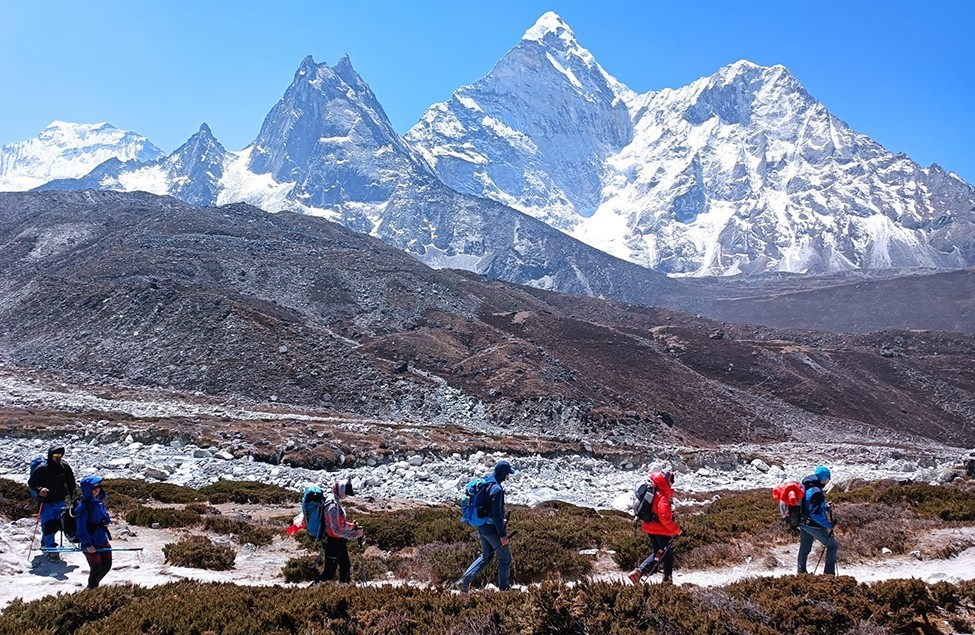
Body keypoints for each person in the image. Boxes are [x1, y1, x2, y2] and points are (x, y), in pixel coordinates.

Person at [453, 460, 517, 591]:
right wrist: (503, 535)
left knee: (486, 556)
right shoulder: (497, 490)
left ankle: (464, 581)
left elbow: (488, 510)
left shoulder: (486, 481)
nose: (507, 477)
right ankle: (504, 588)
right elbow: (497, 515)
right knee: (505, 558)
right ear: (503, 474)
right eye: (507, 474)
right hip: (493, 529)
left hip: (482, 525)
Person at [627, 469, 681, 584]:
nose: (672, 483)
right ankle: (665, 580)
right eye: (671, 480)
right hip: (660, 530)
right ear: (666, 481)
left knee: (659, 552)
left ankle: (640, 572)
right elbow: (664, 518)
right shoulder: (662, 496)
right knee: (667, 552)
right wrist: (677, 530)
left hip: (650, 527)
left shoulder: (653, 491)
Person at [27, 445, 77, 560]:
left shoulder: (64, 467)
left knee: (58, 524)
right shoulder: (42, 468)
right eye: (55, 456)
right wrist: (40, 490)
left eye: (60, 455)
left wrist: (74, 498)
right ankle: (51, 549)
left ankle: (45, 542)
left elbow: (71, 483)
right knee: (49, 524)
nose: (58, 458)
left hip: (60, 500)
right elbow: (31, 482)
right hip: (46, 502)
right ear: (50, 456)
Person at [317, 480, 363, 584]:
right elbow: (336, 530)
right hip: (332, 542)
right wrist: (354, 535)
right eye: (346, 493)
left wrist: (350, 526)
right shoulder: (333, 506)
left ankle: (345, 591)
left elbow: (338, 522)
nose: (346, 496)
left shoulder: (335, 500)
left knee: (345, 566)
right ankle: (311, 592)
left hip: (339, 541)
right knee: (329, 573)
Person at [797, 465, 839, 575]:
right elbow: (814, 513)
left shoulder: (808, 487)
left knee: (804, 548)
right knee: (833, 545)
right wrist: (829, 525)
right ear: (824, 478)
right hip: (813, 524)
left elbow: (809, 506)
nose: (828, 481)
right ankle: (829, 575)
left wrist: (825, 507)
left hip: (803, 522)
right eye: (828, 478)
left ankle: (801, 572)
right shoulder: (817, 491)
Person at [75, 475, 113, 589]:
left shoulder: (99, 501)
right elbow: (80, 529)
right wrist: (88, 544)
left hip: (102, 538)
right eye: (94, 487)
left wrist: (106, 519)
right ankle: (91, 590)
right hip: (90, 542)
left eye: (99, 486)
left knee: (107, 565)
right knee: (96, 569)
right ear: (87, 489)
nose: (97, 489)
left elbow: (104, 515)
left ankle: (92, 587)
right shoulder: (83, 507)